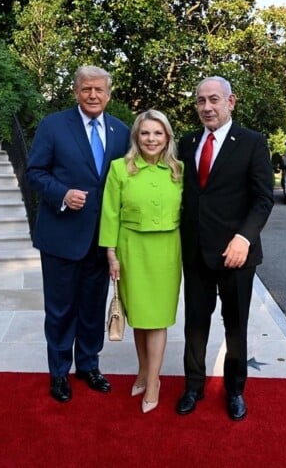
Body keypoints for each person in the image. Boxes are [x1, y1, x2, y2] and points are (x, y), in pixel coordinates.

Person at [26, 65, 130, 403]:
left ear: (109, 94)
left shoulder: (120, 131)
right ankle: (58, 373)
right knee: (60, 310)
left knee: (90, 308)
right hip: (61, 237)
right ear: (75, 91)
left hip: (101, 241)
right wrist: (61, 194)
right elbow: (35, 172)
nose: (93, 95)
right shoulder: (53, 126)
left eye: (99, 90)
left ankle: (88, 365)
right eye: (86, 89)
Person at [175, 76, 274, 421]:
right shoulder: (186, 143)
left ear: (231, 102)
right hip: (197, 252)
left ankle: (235, 390)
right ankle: (193, 387)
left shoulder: (252, 143)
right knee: (195, 325)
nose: (206, 107)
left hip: (237, 254)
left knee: (235, 326)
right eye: (201, 100)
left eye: (214, 99)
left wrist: (244, 237)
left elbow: (263, 199)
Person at [99, 109, 183, 414]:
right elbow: (109, 212)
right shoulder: (120, 169)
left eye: (157, 133)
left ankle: (154, 381)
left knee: (156, 318)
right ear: (136, 136)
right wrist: (111, 252)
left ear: (167, 137)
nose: (151, 139)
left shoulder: (179, 171)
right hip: (130, 248)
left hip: (166, 251)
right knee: (139, 318)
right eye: (145, 133)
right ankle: (144, 371)